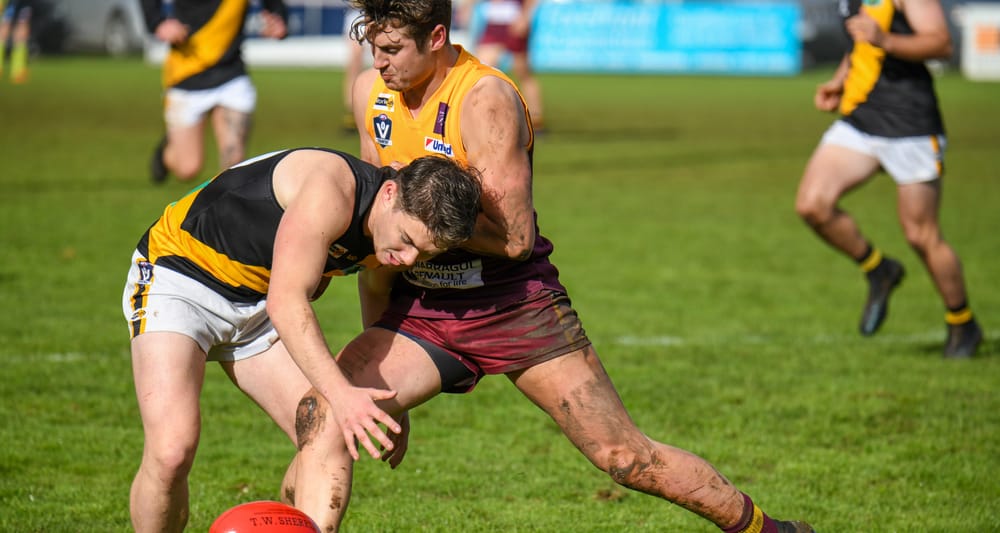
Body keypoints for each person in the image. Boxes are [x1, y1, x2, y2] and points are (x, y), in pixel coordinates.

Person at [283, 1, 815, 532]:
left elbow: (515, 239)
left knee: (624, 456)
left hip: (511, 304)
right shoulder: (370, 94)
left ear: (437, 37)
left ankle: (770, 530)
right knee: (323, 414)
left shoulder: (484, 100)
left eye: (393, 49)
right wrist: (385, 373)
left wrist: (426, 224)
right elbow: (381, 235)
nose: (379, 62)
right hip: (423, 306)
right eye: (373, 48)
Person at [122, 147, 482, 532]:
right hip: (181, 277)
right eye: (407, 240)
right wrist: (342, 395)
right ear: (390, 193)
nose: (408, 259)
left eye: (423, 253)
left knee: (327, 435)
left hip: (260, 302)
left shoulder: (389, 232)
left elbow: (376, 295)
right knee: (172, 450)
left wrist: (393, 403)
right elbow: (287, 303)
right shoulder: (332, 190)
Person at [794, 0, 983, 358]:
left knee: (920, 234)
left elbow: (941, 43)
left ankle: (963, 322)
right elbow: (859, 45)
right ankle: (879, 269)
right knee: (813, 205)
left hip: (909, 125)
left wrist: (887, 40)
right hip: (861, 120)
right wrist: (840, 80)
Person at [140, 0, 289, 184]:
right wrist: (158, 22)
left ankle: (222, 201)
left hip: (232, 73)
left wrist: (278, 18)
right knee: (188, 169)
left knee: (233, 164)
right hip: (187, 72)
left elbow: (275, 8)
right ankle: (167, 152)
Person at [466, 0, 544, 131]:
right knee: (480, 72)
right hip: (494, 23)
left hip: (514, 22)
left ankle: (536, 119)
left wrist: (525, 16)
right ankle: (482, 116)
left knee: (522, 72)